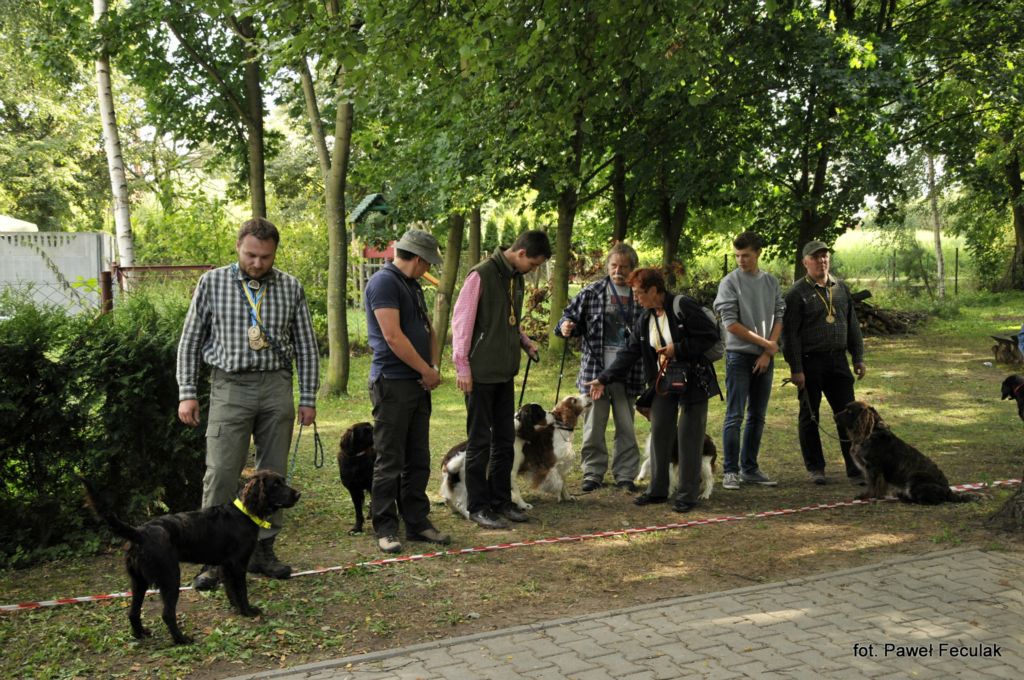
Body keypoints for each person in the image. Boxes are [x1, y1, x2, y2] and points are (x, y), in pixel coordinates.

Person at [177, 217, 319, 590]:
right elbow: (190, 340)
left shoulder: (291, 287)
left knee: (273, 475)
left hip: (276, 386)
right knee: (221, 472)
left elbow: (306, 346)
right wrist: (187, 391)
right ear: (238, 247)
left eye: (266, 257)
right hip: (229, 386)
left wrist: (307, 397)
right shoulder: (212, 283)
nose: (257, 263)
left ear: (275, 253)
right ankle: (212, 558)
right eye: (251, 255)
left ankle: (262, 551)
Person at [586, 268, 721, 513]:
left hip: (693, 381)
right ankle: (657, 490)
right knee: (659, 433)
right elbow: (629, 352)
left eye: (639, 293)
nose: (635, 298)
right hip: (663, 381)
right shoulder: (646, 318)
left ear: (654, 290)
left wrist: (678, 348)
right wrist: (603, 378)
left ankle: (687, 494)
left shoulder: (682, 306)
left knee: (690, 436)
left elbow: (709, 336)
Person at [451, 230, 552, 529]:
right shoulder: (480, 275)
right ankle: (478, 506)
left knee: (505, 440)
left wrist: (523, 341)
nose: (532, 270)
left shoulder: (515, 278)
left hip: (504, 373)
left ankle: (501, 500)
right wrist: (462, 367)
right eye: (533, 264)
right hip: (480, 374)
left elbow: (508, 320)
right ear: (520, 253)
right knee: (480, 441)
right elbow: (462, 323)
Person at [364, 229, 452, 554]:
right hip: (392, 382)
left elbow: (428, 328)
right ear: (417, 258)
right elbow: (393, 336)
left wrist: (432, 366)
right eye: (427, 262)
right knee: (390, 459)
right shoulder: (383, 283)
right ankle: (385, 527)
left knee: (418, 458)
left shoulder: (412, 285)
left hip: (417, 383)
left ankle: (417, 522)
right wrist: (425, 370)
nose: (429, 268)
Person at [556, 243, 644, 493]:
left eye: (624, 267)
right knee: (593, 426)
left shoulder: (640, 294)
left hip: (628, 372)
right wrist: (565, 326)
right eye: (613, 266)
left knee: (626, 426)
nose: (618, 271)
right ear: (607, 266)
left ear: (632, 268)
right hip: (595, 373)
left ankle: (625, 474)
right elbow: (566, 319)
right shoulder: (592, 292)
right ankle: (592, 472)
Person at [782, 240, 867, 486]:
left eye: (825, 256)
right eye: (815, 257)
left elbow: (852, 324)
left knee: (850, 415)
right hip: (810, 362)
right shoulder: (796, 293)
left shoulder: (840, 288)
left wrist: (858, 356)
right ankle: (816, 468)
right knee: (810, 416)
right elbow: (790, 335)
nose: (821, 260)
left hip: (838, 360)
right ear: (805, 262)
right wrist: (796, 368)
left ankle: (855, 467)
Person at [713, 231, 785, 490]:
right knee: (735, 415)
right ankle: (730, 471)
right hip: (739, 356)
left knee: (758, 415)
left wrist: (767, 352)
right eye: (737, 256)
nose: (741, 260)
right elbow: (731, 324)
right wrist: (767, 345)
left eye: (745, 255)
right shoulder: (729, 282)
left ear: (758, 253)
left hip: (765, 356)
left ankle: (750, 468)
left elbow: (779, 315)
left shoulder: (770, 282)